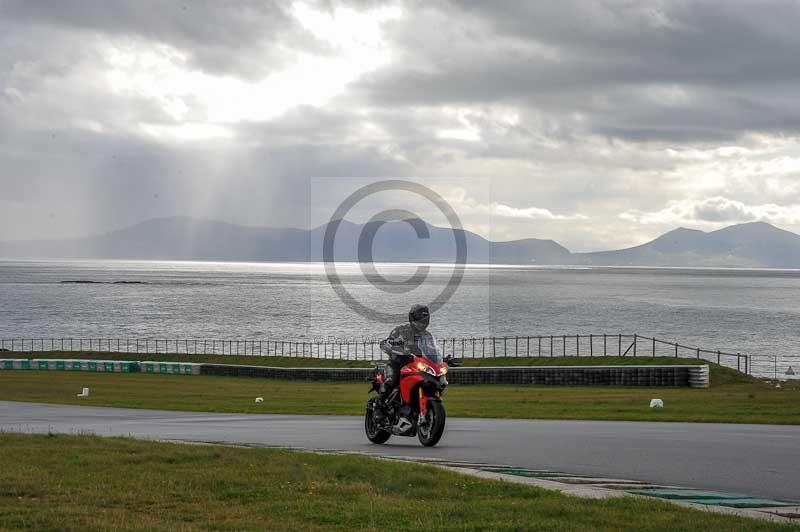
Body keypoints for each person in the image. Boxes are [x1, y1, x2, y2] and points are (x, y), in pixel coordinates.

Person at [379, 304, 432, 396]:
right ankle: (381, 401)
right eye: (419, 320)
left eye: (424, 320)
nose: (422, 323)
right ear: (412, 318)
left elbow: (432, 350)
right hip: (398, 363)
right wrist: (395, 349)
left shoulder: (427, 335)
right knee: (390, 380)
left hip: (418, 365)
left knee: (433, 381)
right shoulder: (401, 330)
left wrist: (443, 359)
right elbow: (387, 342)